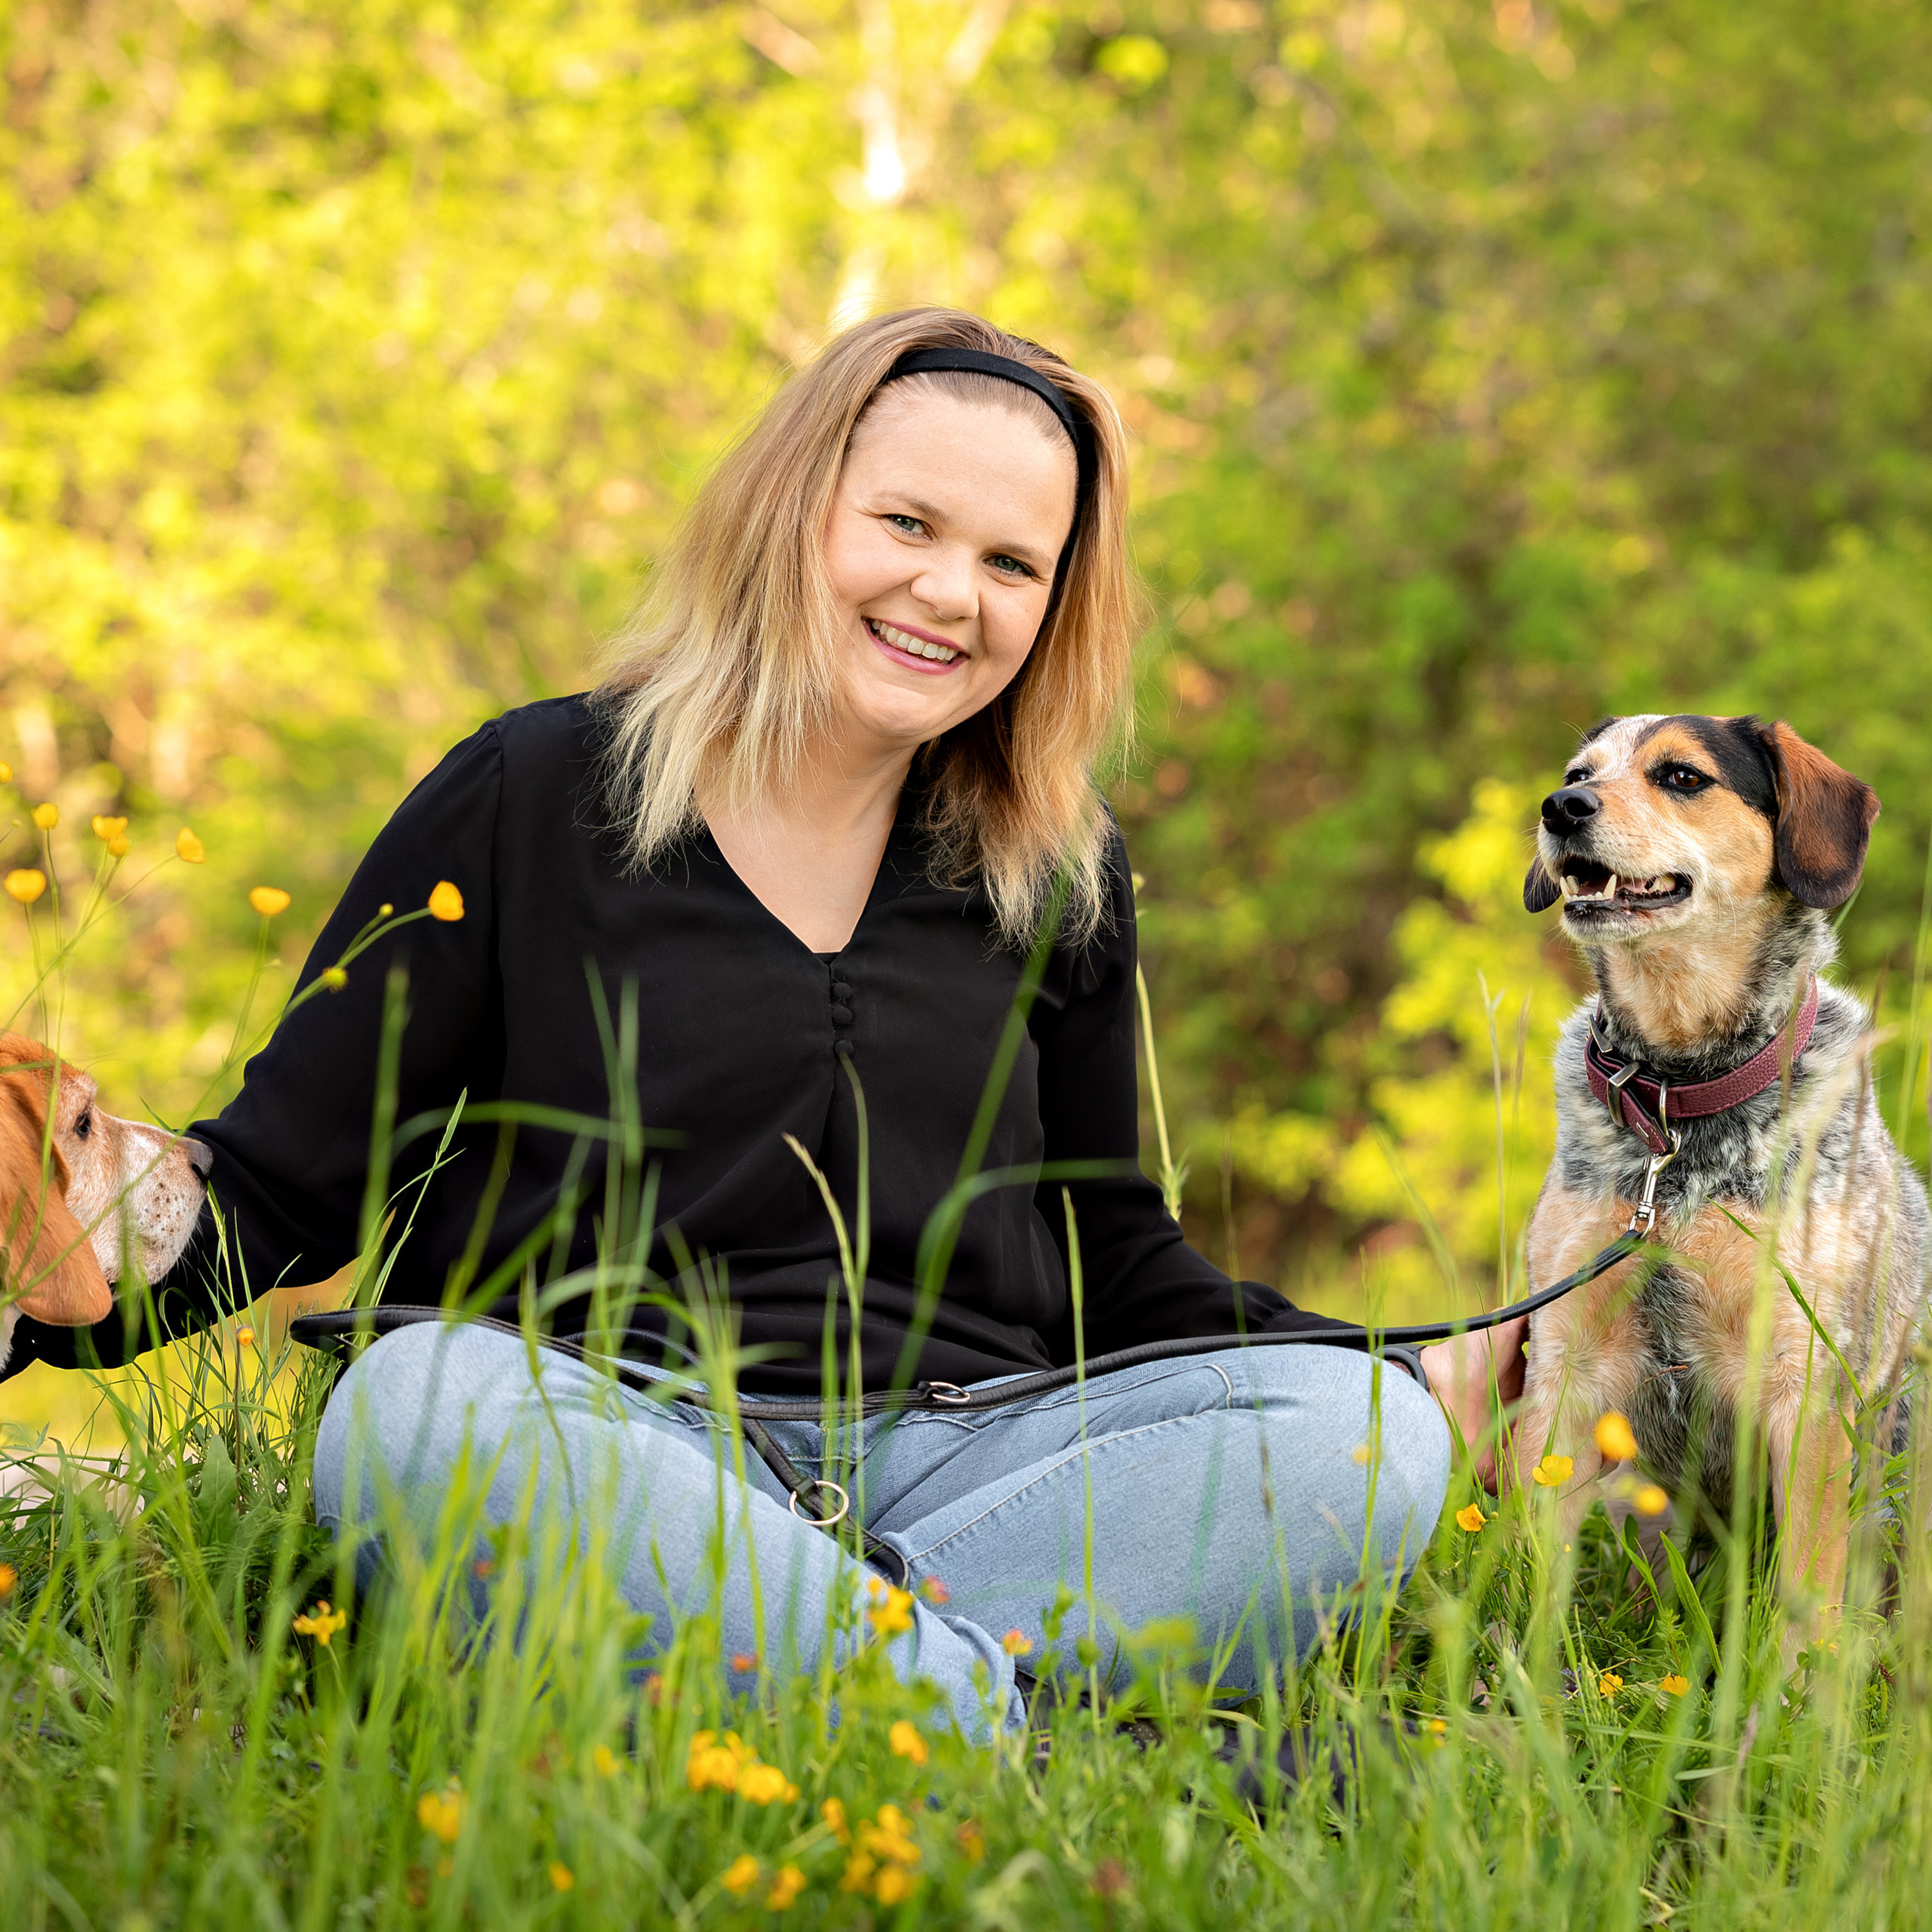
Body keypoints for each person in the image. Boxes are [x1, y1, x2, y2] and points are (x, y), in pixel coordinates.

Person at [3, 309, 1521, 1740]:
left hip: (963, 1457)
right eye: (907, 525)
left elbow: (1115, 1256)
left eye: (1013, 561)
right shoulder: (531, 790)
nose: (950, 593)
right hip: (608, 1436)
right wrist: (27, 1281)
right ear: (795, 512)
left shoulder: (1054, 867)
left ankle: (831, 1703)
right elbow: (281, 1184)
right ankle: (1001, 1735)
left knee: (1358, 1436)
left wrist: (1405, 1357)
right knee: (419, 1405)